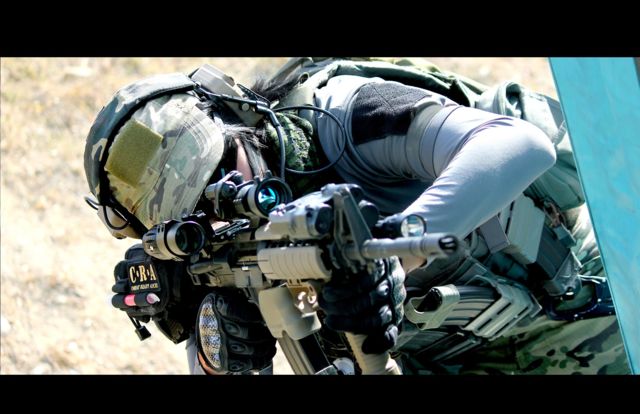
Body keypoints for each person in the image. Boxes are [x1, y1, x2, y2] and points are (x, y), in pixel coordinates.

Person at [83, 58, 630, 375]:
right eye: (195, 216)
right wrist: (214, 351)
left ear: (239, 118)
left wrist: (396, 250)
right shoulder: (218, 254)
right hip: (441, 359)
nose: (224, 204)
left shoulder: (345, 118)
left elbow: (517, 144)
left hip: (579, 310)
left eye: (223, 167)